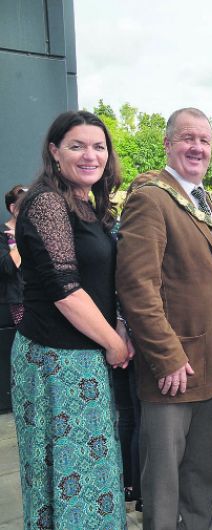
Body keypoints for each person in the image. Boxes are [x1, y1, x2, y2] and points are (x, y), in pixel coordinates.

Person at [116, 107, 212, 528]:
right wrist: (167, 356)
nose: (197, 147)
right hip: (175, 368)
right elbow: (137, 286)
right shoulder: (151, 199)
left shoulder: (204, 199)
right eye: (188, 138)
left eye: (204, 140)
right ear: (168, 144)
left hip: (211, 364)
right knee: (164, 486)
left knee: (202, 476)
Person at [10, 110, 131, 528]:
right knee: (66, 478)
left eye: (98, 147)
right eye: (77, 145)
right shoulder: (46, 202)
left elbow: (98, 284)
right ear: (54, 151)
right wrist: (115, 344)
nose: (89, 155)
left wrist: (115, 327)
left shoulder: (85, 204)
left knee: (90, 476)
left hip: (82, 357)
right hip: (53, 362)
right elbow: (66, 291)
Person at [0, 185, 26, 327]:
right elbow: (7, 267)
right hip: (16, 300)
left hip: (39, 298)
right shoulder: (2, 235)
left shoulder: (35, 232)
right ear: (13, 208)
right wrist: (20, 240)